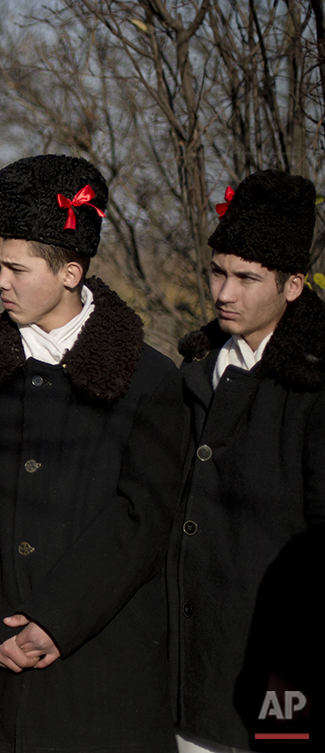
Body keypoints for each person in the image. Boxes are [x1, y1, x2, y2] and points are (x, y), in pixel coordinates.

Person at [0, 154, 186, 753]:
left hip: (100, 678)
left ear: (71, 272)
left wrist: (55, 618)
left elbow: (140, 520)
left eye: (17, 269)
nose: (1, 282)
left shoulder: (149, 383)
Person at [171, 170, 324, 752]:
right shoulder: (192, 372)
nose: (223, 293)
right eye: (219, 272)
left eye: (246, 278)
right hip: (186, 677)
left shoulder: (314, 390)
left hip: (280, 682)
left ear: (292, 286)